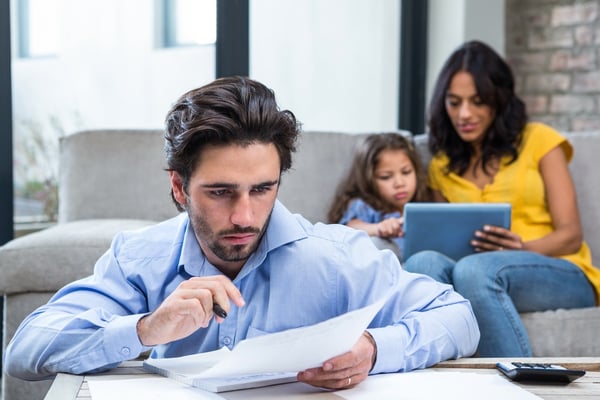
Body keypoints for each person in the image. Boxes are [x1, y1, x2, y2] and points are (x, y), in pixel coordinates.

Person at [5, 76, 479, 390]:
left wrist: (374, 349)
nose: (244, 216)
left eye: (263, 189)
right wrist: (147, 328)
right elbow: (25, 351)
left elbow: (457, 316)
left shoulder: (335, 258)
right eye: (220, 192)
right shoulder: (138, 261)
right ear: (179, 186)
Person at [403, 40, 600, 357]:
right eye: (454, 103)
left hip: (559, 270)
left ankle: (515, 389)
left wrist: (522, 247)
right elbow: (442, 240)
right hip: (477, 270)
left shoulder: (540, 140)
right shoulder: (441, 165)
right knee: (421, 262)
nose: (464, 114)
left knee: (474, 271)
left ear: (498, 100)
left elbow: (571, 236)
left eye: (477, 101)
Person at [327, 133, 429, 259]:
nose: (399, 183)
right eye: (386, 177)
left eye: (406, 172)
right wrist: (378, 228)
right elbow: (349, 227)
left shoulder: (422, 207)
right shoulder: (364, 206)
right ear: (368, 179)